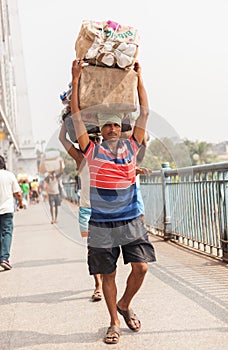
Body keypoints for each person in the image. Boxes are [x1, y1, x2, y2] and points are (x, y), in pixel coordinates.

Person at [70, 59, 156, 344]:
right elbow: (76, 115)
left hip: (131, 220)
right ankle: (114, 321)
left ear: (121, 129)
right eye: (106, 125)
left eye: (115, 125)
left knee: (141, 267)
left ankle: (124, 303)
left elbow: (144, 113)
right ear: (101, 130)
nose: (111, 129)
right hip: (102, 224)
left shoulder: (132, 147)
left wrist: (140, 78)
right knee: (107, 273)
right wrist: (75, 78)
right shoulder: (91, 150)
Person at [59, 124, 103, 302]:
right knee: (93, 250)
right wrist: (66, 118)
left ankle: (106, 284)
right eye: (90, 140)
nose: (94, 143)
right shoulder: (80, 159)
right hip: (87, 210)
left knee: (106, 250)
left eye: (96, 140)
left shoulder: (108, 156)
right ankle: (98, 285)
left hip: (105, 210)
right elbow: (62, 139)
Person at [0, 155, 23, 270]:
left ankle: (1, 257)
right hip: (7, 209)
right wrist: (20, 203)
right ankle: (4, 258)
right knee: (7, 232)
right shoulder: (9, 175)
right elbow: (18, 193)